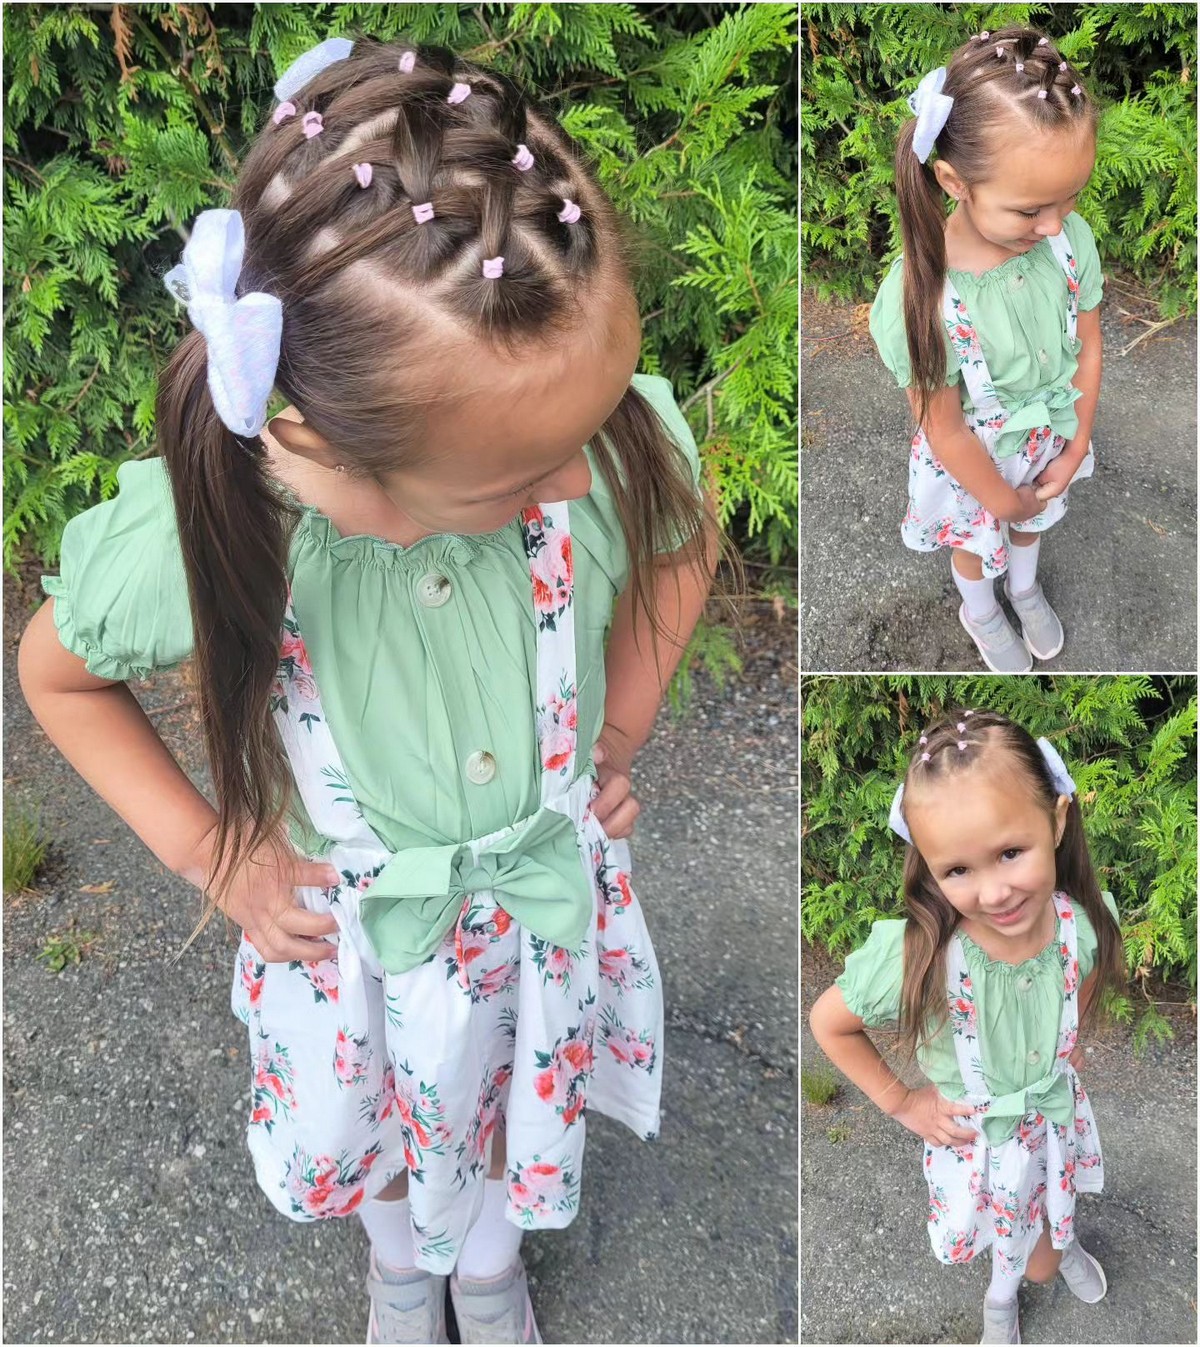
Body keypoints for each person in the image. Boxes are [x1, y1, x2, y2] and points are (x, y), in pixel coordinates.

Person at [18, 35, 718, 1346]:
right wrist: (214, 850)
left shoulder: (576, 435)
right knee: (389, 1118)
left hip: (537, 912)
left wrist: (618, 728)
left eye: (587, 434)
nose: (574, 489)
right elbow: (56, 671)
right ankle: (405, 1265)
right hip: (351, 941)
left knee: (515, 1092)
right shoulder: (219, 530)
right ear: (313, 441)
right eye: (517, 484)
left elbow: (683, 532)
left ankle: (491, 1265)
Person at [808, 708, 1125, 1344]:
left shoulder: (1081, 920)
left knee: (1049, 1198)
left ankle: (1061, 1247)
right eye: (957, 870)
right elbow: (829, 1022)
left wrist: (1072, 1033)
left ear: (1057, 820)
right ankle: (1002, 1296)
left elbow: (1085, 970)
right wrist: (901, 1100)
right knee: (1017, 1245)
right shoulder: (919, 956)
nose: (993, 892)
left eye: (1010, 853)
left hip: (1052, 1116)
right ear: (928, 866)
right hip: (977, 1139)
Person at [869, 27, 1104, 673]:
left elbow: (1087, 342)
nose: (1056, 223)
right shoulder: (922, 298)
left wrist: (1078, 441)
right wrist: (1001, 500)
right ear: (953, 180)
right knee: (982, 543)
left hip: (1051, 436)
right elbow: (943, 427)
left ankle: (1025, 587)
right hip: (975, 465)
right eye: (1030, 209)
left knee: (1038, 518)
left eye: (1070, 198)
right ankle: (981, 607)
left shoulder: (1065, 241)